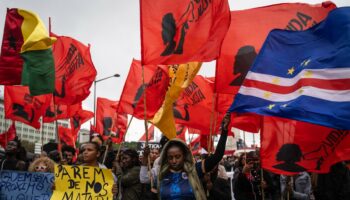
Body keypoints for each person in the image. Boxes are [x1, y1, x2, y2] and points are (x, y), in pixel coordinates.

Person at [141, 113, 230, 200]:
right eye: (170, 157)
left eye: (177, 156)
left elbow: (217, 156)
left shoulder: (194, 170)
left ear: (184, 155)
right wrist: (145, 158)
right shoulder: (160, 173)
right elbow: (144, 179)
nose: (174, 161)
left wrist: (224, 131)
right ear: (165, 157)